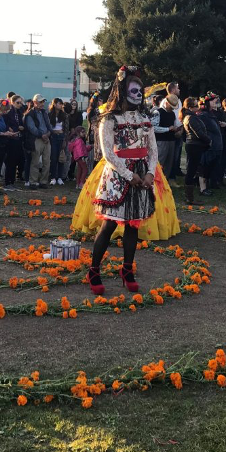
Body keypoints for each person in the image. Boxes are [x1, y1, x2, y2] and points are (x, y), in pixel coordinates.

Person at [86, 66, 157, 294]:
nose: (138, 95)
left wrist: (149, 173)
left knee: (133, 225)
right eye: (134, 90)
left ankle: (127, 270)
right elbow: (108, 153)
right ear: (122, 90)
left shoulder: (145, 118)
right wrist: (129, 175)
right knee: (108, 225)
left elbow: (153, 150)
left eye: (140, 91)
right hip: (118, 176)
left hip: (141, 173)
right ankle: (94, 270)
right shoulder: (110, 118)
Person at [181, 96, 210, 205]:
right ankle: (189, 198)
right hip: (194, 146)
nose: (198, 106)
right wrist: (209, 141)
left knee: (192, 170)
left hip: (194, 145)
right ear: (190, 107)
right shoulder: (191, 118)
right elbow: (199, 133)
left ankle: (190, 197)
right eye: (196, 105)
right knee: (191, 171)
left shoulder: (191, 117)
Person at [24, 94, 52, 189]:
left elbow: (49, 125)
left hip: (46, 138)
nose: (42, 103)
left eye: (43, 101)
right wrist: (42, 135)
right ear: (35, 102)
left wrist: (48, 134)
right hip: (36, 139)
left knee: (46, 161)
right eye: (40, 102)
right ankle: (33, 182)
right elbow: (32, 128)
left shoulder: (44, 112)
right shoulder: (29, 114)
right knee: (35, 162)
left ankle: (43, 181)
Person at [197, 92, 222, 196]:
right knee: (204, 166)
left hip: (216, 145)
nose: (214, 101)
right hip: (208, 146)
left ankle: (206, 186)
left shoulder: (212, 114)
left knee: (210, 166)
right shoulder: (203, 115)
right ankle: (202, 188)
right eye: (212, 100)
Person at [152, 95, 182, 178]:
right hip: (161, 141)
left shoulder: (172, 114)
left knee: (169, 164)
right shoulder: (158, 112)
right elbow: (153, 128)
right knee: (160, 163)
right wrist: (167, 129)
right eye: (171, 106)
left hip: (171, 140)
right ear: (166, 103)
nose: (172, 108)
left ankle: (166, 182)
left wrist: (176, 130)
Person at [2, 95, 25, 190]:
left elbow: (20, 123)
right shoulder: (9, 112)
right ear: (12, 102)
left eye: (20, 103)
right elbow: (4, 123)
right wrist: (10, 129)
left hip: (18, 138)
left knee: (16, 161)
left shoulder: (19, 112)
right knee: (10, 162)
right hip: (10, 139)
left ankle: (12, 181)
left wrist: (21, 127)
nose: (19, 104)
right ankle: (8, 182)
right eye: (17, 102)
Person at [48, 98, 68, 185]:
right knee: (53, 157)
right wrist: (53, 132)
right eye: (59, 104)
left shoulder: (64, 115)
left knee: (61, 157)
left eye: (61, 104)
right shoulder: (49, 114)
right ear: (55, 104)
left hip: (61, 137)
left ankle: (60, 177)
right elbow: (48, 126)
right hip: (53, 137)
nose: (61, 105)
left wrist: (65, 139)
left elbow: (66, 128)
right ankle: (53, 177)